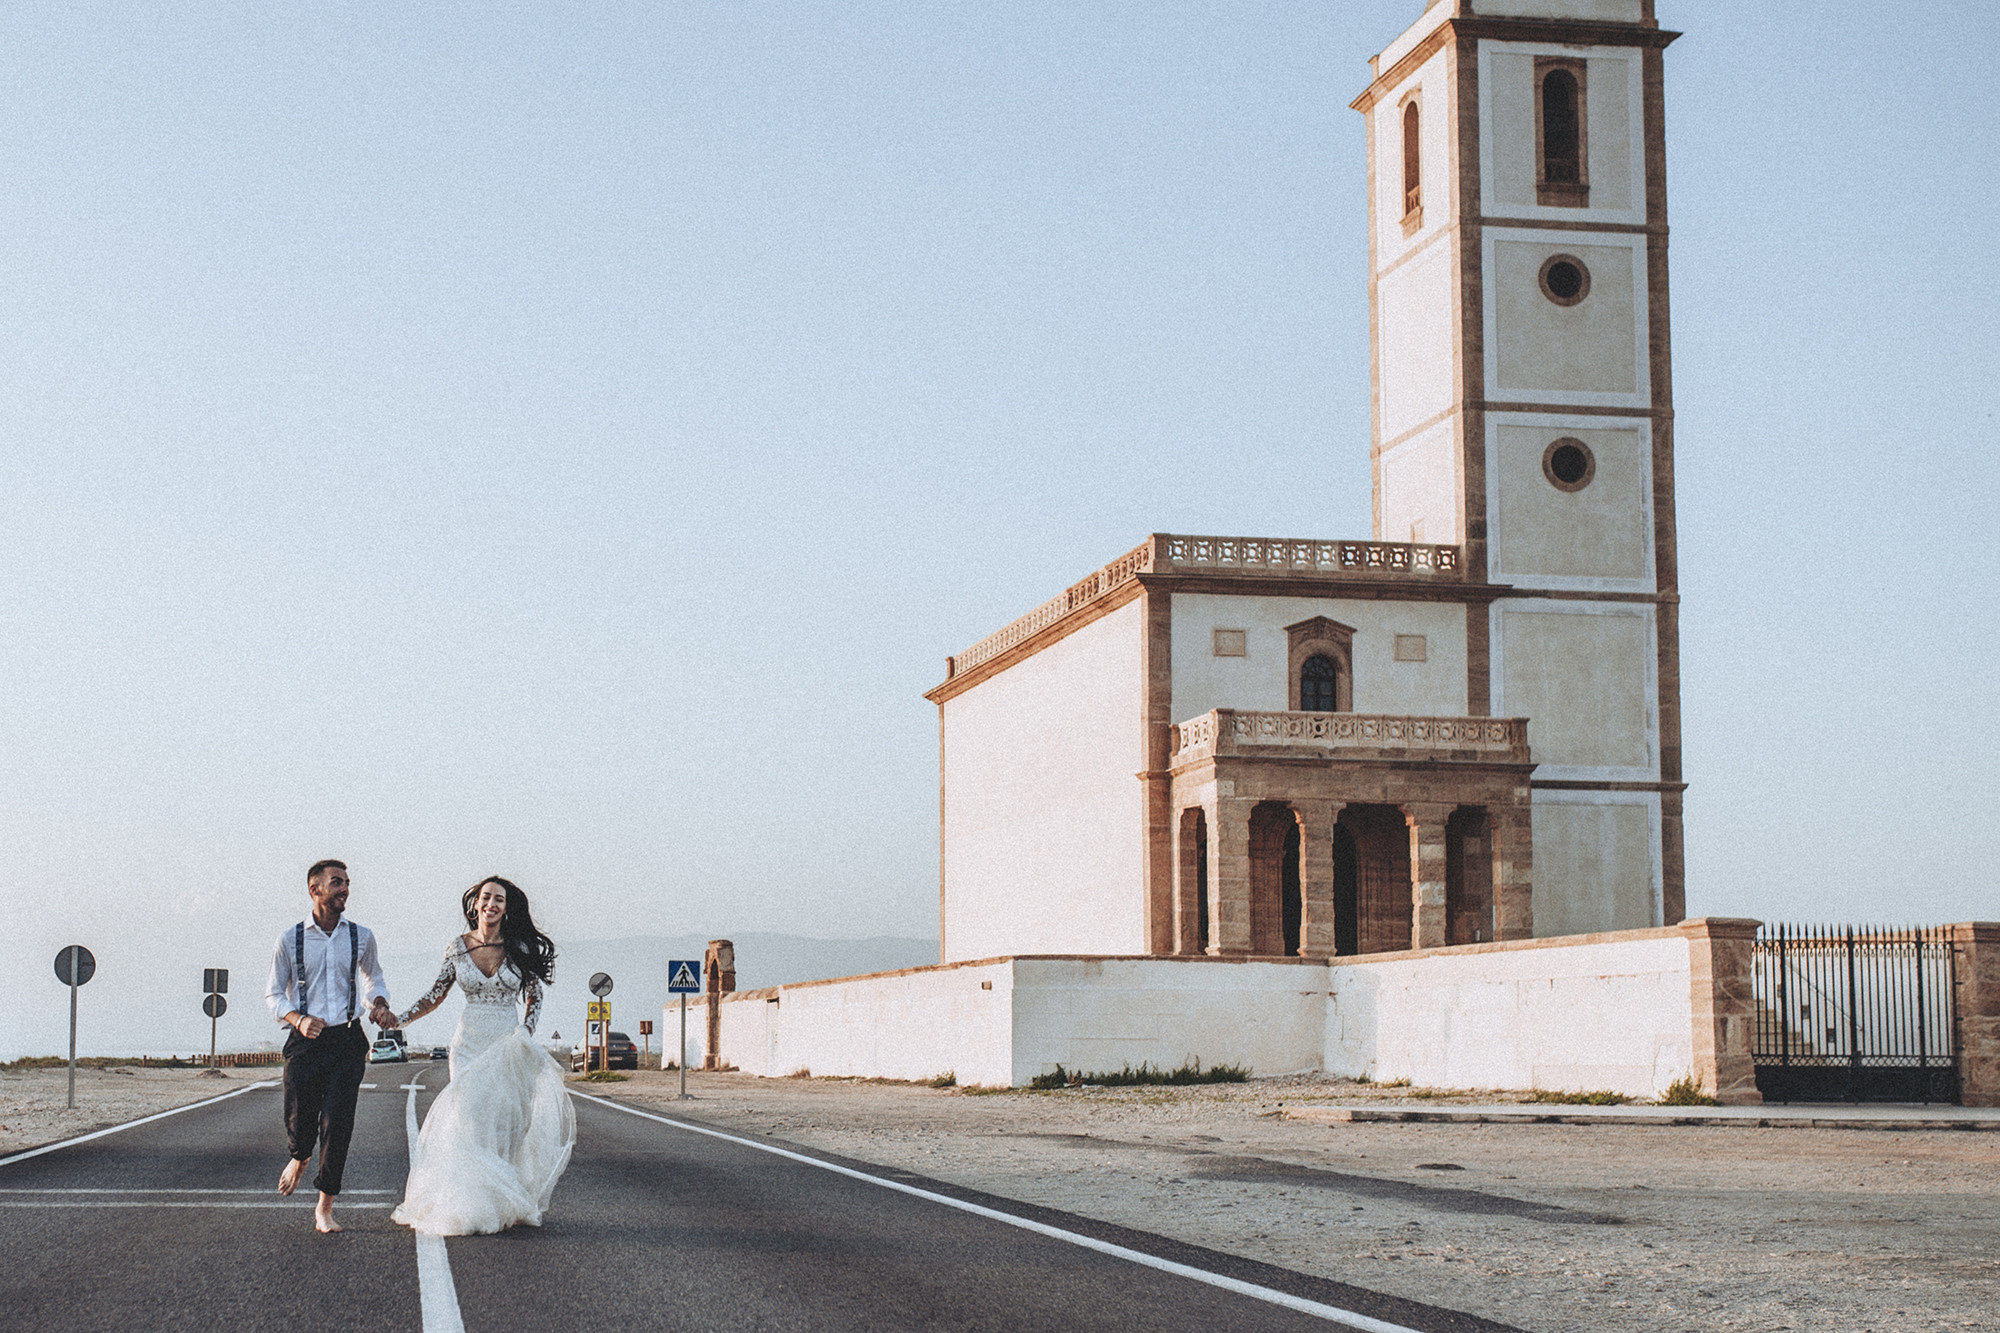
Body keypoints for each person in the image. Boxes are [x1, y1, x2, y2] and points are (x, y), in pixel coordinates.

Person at [390, 876, 575, 1236]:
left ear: (507, 908)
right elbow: (436, 994)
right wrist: (399, 1019)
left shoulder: (519, 947)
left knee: (510, 1122)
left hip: (507, 1042)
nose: (491, 904)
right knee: (470, 1120)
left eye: (499, 900)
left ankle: (502, 1199)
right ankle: (470, 1201)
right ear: (475, 903)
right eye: (486, 897)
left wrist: (526, 1031)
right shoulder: (457, 948)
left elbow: (535, 995)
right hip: (469, 1044)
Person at [264, 859, 395, 1234]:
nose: (345, 889)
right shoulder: (289, 939)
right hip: (305, 1042)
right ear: (315, 889)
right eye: (336, 883)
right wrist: (298, 1019)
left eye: (347, 883)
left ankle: (325, 1206)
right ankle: (300, 1155)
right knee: (299, 1118)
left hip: (347, 1040)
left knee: (337, 1124)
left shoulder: (361, 936)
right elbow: (273, 995)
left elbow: (373, 979)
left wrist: (379, 1004)